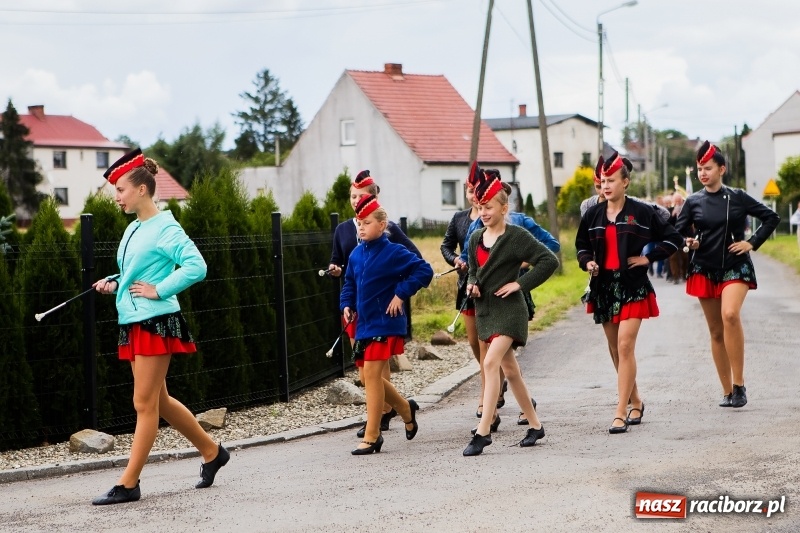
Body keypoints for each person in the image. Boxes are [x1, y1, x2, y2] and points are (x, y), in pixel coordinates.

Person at [91, 149, 227, 505]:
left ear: (142, 189)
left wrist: (159, 290)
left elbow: (196, 266)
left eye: (120, 189)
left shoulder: (166, 226)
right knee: (160, 400)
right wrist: (115, 282)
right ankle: (212, 452)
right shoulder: (134, 227)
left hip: (156, 321)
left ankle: (129, 483)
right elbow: (137, 272)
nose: (117, 197)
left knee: (144, 403)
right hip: (134, 320)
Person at [576, 152, 683, 434]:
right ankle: (636, 400)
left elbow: (674, 238)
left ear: (625, 182)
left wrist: (650, 258)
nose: (606, 185)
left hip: (633, 286)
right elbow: (581, 246)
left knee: (625, 346)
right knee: (615, 350)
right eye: (602, 180)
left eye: (611, 180)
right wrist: (587, 261)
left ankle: (620, 411)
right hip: (604, 287)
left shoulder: (643, 212)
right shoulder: (592, 214)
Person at [676, 141, 779, 408]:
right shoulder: (693, 201)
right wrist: (690, 241)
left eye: (708, 168)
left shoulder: (739, 197)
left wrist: (751, 243)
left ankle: (739, 385)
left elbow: (771, 217)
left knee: (730, 315)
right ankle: (726, 391)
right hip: (704, 268)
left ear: (722, 168)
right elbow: (677, 232)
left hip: (736, 265)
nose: (703, 173)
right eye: (700, 169)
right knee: (715, 331)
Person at [462, 171, 559, 456]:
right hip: (487, 312)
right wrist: (472, 287)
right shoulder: (475, 238)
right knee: (511, 371)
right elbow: (473, 273)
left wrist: (520, 283)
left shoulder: (517, 237)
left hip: (511, 312)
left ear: (504, 208)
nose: (483, 212)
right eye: (480, 207)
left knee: (489, 363)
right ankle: (535, 425)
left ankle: (483, 432)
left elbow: (549, 260)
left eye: (489, 207)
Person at [328, 170, 421, 438]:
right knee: (365, 370)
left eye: (362, 196)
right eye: (352, 196)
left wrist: (397, 290)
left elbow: (415, 262)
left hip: (381, 309)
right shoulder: (344, 230)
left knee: (376, 367)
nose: (356, 200)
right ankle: (400, 408)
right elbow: (344, 266)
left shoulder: (389, 231)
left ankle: (378, 421)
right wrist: (338, 273)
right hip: (355, 307)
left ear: (375, 198)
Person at [340, 194, 433, 455]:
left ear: (382, 225)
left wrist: (401, 293)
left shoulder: (394, 251)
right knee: (365, 376)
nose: (361, 227)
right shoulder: (357, 254)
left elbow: (424, 271)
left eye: (366, 222)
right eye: (359, 223)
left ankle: (373, 436)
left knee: (370, 375)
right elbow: (348, 284)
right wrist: (346, 305)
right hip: (364, 323)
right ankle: (405, 408)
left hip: (385, 322)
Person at [441, 162, 504, 419]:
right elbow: (446, 246)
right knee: (474, 343)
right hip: (465, 286)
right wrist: (456, 260)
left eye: (476, 188)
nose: (472, 193)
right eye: (469, 189)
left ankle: (486, 397)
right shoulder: (458, 219)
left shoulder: (491, 218)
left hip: (488, 288)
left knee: (487, 344)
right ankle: (497, 380)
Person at [668, 192, 688, 284]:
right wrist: (672, 215)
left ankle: (684, 274)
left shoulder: (686, 209)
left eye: (679, 201)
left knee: (685, 257)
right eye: (676, 201)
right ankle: (675, 276)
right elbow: (666, 224)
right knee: (673, 257)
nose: (677, 203)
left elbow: (689, 223)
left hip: (683, 237)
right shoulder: (670, 210)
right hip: (672, 237)